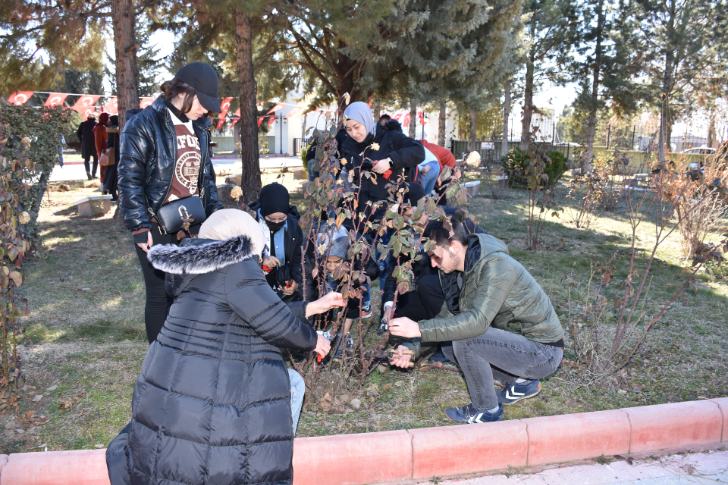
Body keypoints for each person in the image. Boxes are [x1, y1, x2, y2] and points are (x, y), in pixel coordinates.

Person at [105, 209, 342, 485]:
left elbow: (259, 310)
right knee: (291, 384)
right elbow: (276, 323)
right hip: (199, 429)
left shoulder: (200, 271)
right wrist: (315, 340)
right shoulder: (235, 267)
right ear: (244, 241)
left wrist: (311, 307)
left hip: (165, 416)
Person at [388, 220, 564, 424]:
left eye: (436, 256)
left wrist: (418, 328)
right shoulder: (465, 272)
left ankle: (486, 410)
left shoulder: (497, 266)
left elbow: (476, 323)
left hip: (544, 353)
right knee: (448, 345)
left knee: (465, 339)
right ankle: (520, 382)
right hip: (520, 346)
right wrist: (411, 347)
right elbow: (447, 320)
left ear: (454, 248)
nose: (433, 264)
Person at [118, 62, 223, 343]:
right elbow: (129, 179)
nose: (207, 110)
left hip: (191, 225)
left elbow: (207, 179)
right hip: (155, 224)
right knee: (159, 293)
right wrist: (140, 226)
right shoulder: (142, 124)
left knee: (189, 292)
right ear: (185, 92)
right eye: (204, 102)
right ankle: (158, 360)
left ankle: (182, 354)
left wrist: (219, 216)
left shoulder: (200, 128)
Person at [251, 182, 308, 301]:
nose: (276, 222)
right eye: (271, 219)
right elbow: (240, 260)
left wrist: (295, 282)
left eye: (282, 219)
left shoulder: (293, 227)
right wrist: (261, 261)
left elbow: (297, 258)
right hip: (254, 289)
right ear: (263, 212)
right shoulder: (250, 225)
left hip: (282, 290)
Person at [102, 115, 120, 200]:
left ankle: (111, 192)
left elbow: (109, 144)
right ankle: (113, 193)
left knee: (111, 175)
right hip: (116, 156)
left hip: (112, 156)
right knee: (114, 176)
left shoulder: (110, 129)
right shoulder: (116, 130)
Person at [76, 113, 97, 180]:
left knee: (86, 160)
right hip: (95, 144)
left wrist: (82, 140)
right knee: (95, 160)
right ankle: (93, 174)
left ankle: (88, 172)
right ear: (94, 118)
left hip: (86, 144)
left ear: (87, 118)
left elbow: (78, 133)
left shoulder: (83, 124)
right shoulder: (96, 124)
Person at [94, 112, 110, 185]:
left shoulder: (98, 127)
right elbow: (105, 139)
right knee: (104, 168)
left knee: (104, 167)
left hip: (102, 150)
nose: (109, 120)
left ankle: (104, 183)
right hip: (104, 150)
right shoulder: (101, 128)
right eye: (108, 118)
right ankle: (104, 184)